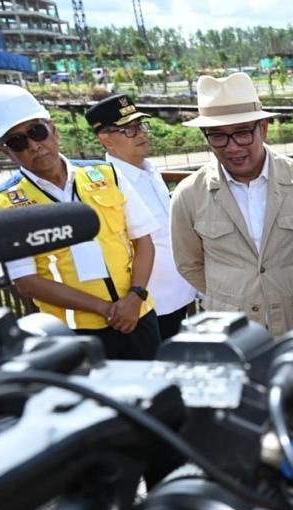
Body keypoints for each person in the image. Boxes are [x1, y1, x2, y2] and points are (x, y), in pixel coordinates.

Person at [0, 84, 161, 361]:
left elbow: (143, 240)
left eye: (37, 131)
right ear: (6, 151)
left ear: (53, 129)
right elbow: (26, 282)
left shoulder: (106, 174)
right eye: (18, 142)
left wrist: (135, 297)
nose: (33, 145)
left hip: (139, 315)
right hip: (71, 333)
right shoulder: (2, 204)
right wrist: (105, 309)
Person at [171, 73, 293, 337]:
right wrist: (232, 295)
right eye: (218, 136)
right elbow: (188, 263)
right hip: (230, 330)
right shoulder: (189, 194)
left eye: (242, 133)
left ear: (264, 128)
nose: (232, 147)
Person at [86, 94, 197, 339]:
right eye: (129, 130)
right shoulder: (106, 183)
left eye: (141, 126)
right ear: (105, 138)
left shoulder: (149, 170)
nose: (141, 134)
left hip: (180, 294)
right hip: (147, 303)